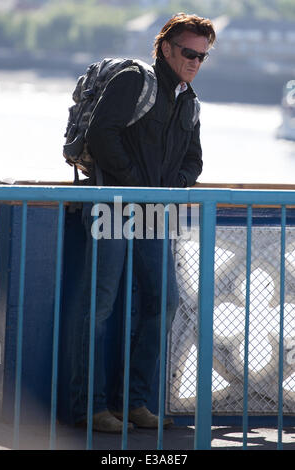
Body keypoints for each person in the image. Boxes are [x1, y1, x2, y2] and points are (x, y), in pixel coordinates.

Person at [69, 12, 216, 433]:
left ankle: (132, 403)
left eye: (202, 56)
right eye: (189, 52)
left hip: (155, 210)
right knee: (100, 305)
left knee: (164, 303)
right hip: (112, 203)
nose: (194, 62)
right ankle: (90, 407)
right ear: (166, 47)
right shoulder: (134, 81)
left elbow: (195, 159)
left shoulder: (189, 100)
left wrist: (172, 185)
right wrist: (137, 185)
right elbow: (101, 135)